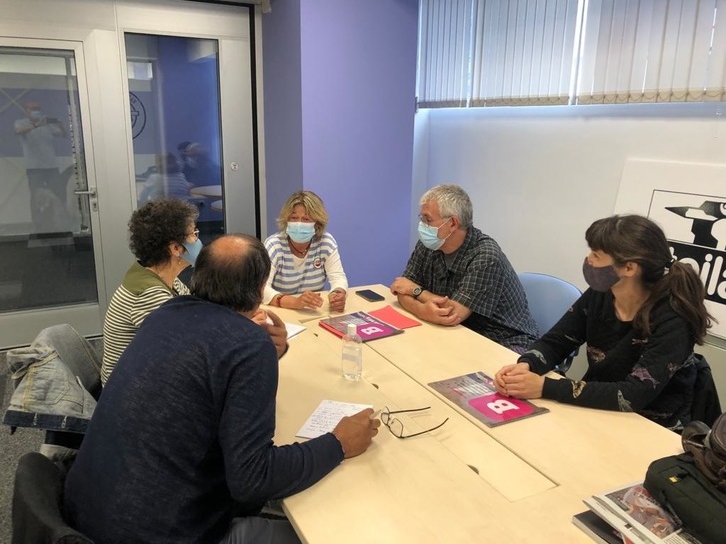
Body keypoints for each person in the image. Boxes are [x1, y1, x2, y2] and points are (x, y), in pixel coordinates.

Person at [64, 234, 381, 544]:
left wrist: (266, 352)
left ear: (197, 275)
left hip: (89, 513)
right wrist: (338, 443)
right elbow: (253, 480)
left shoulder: (166, 314)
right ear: (260, 290)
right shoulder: (246, 344)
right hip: (161, 531)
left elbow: (206, 374)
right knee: (328, 533)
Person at [494, 214, 712, 431]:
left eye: (596, 255)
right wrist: (525, 366)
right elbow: (557, 341)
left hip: (651, 425)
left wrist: (544, 387)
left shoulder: (674, 317)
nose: (589, 260)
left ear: (629, 268)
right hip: (596, 407)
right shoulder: (602, 294)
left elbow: (633, 394)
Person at [390, 184, 537, 353]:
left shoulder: (486, 256)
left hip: (503, 342)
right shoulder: (429, 245)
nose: (422, 225)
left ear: (452, 223)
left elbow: (451, 314)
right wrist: (423, 310)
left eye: (427, 219)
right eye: (421, 218)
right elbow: (401, 289)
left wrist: (416, 292)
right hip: (458, 335)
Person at [100, 199, 201, 384]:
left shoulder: (161, 278)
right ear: (176, 248)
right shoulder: (150, 293)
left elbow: (194, 312)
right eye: (194, 234)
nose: (198, 240)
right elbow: (186, 347)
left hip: (140, 378)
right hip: (130, 393)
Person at [264, 190, 348, 311]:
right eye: (294, 218)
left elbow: (338, 277)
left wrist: (337, 294)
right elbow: (261, 288)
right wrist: (295, 302)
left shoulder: (325, 241)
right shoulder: (274, 245)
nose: (299, 223)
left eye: (306, 219)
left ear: (317, 223)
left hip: (313, 311)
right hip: (281, 311)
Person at [14, 101, 67, 231]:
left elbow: (63, 134)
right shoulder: (21, 122)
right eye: (33, 109)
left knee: (59, 193)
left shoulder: (47, 125)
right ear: (26, 111)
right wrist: (37, 125)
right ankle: (37, 225)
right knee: (36, 196)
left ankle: (60, 222)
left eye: (38, 108)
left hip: (51, 166)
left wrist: (61, 124)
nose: (36, 111)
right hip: (34, 168)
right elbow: (18, 131)